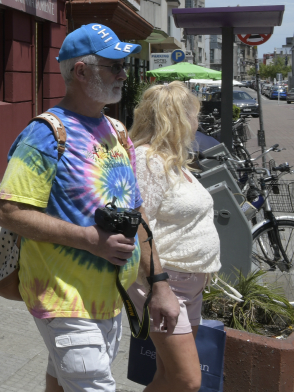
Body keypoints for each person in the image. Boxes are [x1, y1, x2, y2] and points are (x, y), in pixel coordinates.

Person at [0, 24, 180, 392]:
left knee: (61, 385)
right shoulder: (45, 134)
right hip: (63, 298)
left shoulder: (116, 132)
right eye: (114, 66)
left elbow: (138, 214)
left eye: (124, 65)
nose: (123, 75)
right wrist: (90, 240)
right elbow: (10, 212)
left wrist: (159, 285)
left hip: (110, 298)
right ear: (81, 71)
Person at [127, 82, 220, 392]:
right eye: (195, 115)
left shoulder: (172, 160)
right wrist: (158, 285)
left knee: (167, 376)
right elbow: (140, 224)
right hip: (167, 283)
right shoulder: (148, 160)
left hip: (189, 283)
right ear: (177, 117)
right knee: (187, 380)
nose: (198, 123)